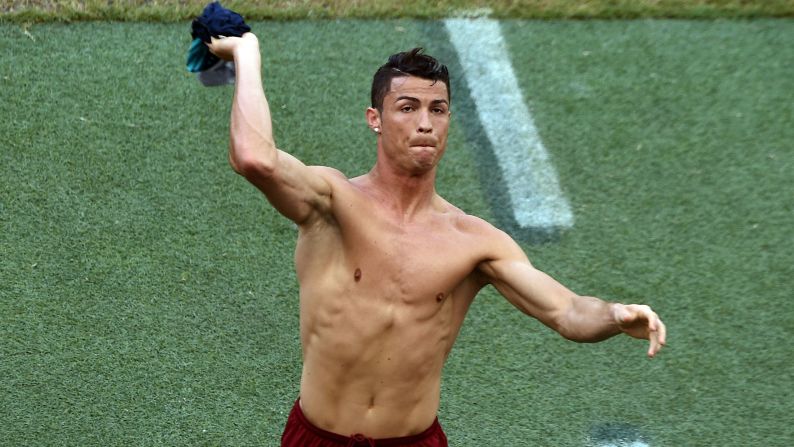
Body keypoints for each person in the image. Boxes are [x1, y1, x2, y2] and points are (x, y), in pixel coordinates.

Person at [207, 33, 666, 447]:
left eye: (438, 109)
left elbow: (565, 311)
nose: (425, 123)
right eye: (407, 108)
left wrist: (614, 314)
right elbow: (253, 158)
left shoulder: (474, 241)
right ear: (376, 119)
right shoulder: (331, 203)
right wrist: (247, 54)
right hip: (318, 437)